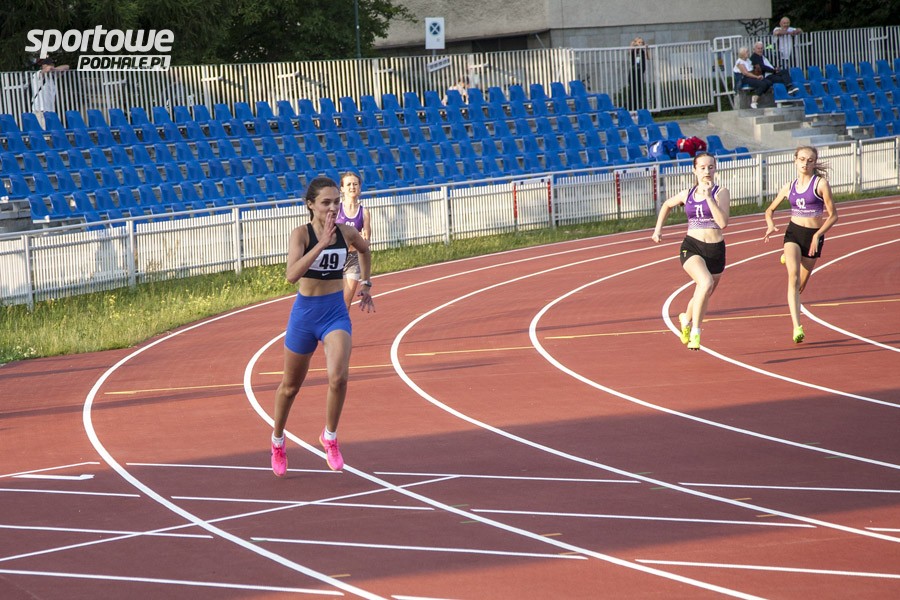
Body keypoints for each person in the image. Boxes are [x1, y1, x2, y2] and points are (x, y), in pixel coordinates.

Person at [270, 176, 375, 477]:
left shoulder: (347, 232)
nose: (332, 208)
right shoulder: (301, 234)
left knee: (339, 378)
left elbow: (364, 250)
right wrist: (322, 245)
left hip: (334, 313)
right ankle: (278, 440)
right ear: (311, 205)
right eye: (325, 203)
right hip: (305, 315)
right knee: (290, 387)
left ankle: (329, 436)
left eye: (336, 202)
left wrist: (366, 283)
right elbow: (291, 275)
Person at [651, 153, 730, 351]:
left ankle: (686, 319)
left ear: (715, 169)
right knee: (705, 282)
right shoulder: (687, 194)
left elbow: (723, 223)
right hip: (692, 246)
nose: (707, 171)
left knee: (703, 293)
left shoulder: (721, 193)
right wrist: (658, 230)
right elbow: (667, 205)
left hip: (715, 250)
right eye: (702, 167)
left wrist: (709, 197)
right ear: (694, 170)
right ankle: (696, 332)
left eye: (710, 167)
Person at [763, 146, 838, 344]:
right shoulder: (789, 187)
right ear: (795, 160)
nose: (805, 163)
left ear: (815, 163)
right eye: (802, 159)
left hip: (813, 237)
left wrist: (818, 234)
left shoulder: (820, 184)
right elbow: (769, 210)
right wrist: (770, 224)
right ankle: (797, 327)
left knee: (800, 286)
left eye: (810, 160)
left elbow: (833, 216)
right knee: (793, 277)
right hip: (793, 234)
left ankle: (790, 259)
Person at [336, 171, 372, 308]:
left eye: (355, 184)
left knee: (346, 301)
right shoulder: (336, 210)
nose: (352, 187)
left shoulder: (364, 212)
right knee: (331, 300)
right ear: (342, 189)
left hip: (353, 259)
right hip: (337, 258)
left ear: (360, 187)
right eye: (349, 184)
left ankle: (342, 322)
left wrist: (363, 240)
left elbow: (366, 242)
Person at [30, 57, 70, 129]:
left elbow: (67, 67)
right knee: (43, 132)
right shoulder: (38, 74)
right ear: (43, 66)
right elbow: (47, 69)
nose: (52, 66)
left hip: (49, 110)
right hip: (40, 110)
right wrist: (51, 69)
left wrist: (55, 70)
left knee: (51, 131)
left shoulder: (52, 76)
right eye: (50, 64)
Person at [629, 37, 650, 111]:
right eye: (639, 42)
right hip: (633, 73)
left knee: (639, 91)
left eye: (642, 42)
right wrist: (632, 45)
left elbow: (648, 58)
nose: (640, 44)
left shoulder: (642, 52)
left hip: (640, 73)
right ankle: (632, 107)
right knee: (633, 91)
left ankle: (639, 106)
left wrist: (646, 49)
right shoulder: (634, 50)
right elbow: (629, 52)